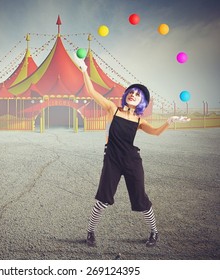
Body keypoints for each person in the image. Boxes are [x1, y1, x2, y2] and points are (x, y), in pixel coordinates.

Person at [73, 54, 190, 247]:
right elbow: (92, 92)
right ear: (126, 96)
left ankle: (154, 232)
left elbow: (156, 133)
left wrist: (169, 122)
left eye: (137, 94)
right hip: (112, 159)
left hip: (132, 161)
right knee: (103, 199)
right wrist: (84, 71)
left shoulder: (139, 120)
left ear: (141, 101)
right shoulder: (113, 109)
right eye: (131, 92)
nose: (133, 95)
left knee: (140, 199)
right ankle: (90, 232)